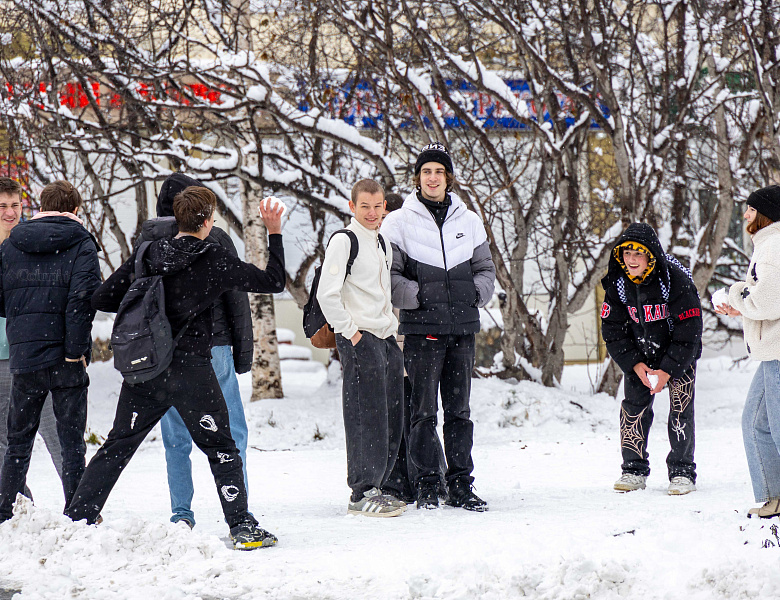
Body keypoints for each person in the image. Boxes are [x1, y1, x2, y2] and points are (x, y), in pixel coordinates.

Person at [65, 186, 284, 550]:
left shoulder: (149, 253)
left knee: (118, 445)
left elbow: (102, 297)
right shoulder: (213, 258)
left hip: (147, 369)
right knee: (221, 448)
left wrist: (146, 302)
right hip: (191, 371)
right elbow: (273, 282)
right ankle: (241, 524)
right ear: (207, 220)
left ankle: (78, 516)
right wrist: (273, 232)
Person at [381, 142, 496, 511]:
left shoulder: (470, 220)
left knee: (459, 412)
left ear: (448, 177)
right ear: (418, 177)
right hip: (421, 332)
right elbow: (391, 276)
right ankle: (428, 484)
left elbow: (486, 270)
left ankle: (461, 483)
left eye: (439, 172)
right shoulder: (397, 221)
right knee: (423, 412)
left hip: (463, 330)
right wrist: (419, 299)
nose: (433, 178)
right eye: (426, 171)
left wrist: (473, 296)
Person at [135, 173, 253, 529]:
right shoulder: (215, 237)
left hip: (166, 350)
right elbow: (237, 298)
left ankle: (181, 514)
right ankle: (239, 508)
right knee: (231, 434)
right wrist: (243, 353)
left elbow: (140, 299)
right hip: (214, 347)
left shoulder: (148, 241)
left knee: (176, 438)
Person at [0, 181, 101, 522]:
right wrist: (75, 353)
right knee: (70, 441)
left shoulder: (13, 244)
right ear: (76, 210)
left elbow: (3, 300)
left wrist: (23, 326)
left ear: (40, 205)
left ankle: (6, 512)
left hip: (24, 356)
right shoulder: (82, 243)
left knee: (17, 442)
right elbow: (81, 303)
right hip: (64, 358)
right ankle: (79, 511)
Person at [317, 179, 405, 517]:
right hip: (360, 337)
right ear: (352, 206)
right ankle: (361, 491)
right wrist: (351, 333)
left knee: (389, 415)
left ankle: (378, 486)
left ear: (385, 207)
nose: (372, 212)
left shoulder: (383, 241)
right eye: (365, 206)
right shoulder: (345, 240)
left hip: (384, 338)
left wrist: (390, 335)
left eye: (377, 206)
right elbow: (328, 293)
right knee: (365, 414)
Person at [601, 222, 702, 495]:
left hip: (679, 355)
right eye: (627, 254)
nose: (632, 260)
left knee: (681, 411)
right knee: (633, 410)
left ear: (651, 256)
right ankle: (633, 470)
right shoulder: (618, 283)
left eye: (639, 254)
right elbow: (612, 329)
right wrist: (634, 363)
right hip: (640, 356)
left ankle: (682, 472)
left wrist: (669, 369)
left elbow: (690, 330)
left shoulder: (674, 280)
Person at [716, 185, 780, 518]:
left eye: (750, 210)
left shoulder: (774, 247)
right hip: (772, 351)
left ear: (765, 213)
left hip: (779, 353)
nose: (744, 215)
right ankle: (774, 496)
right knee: (756, 423)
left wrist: (739, 294)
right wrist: (742, 308)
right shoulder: (768, 245)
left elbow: (766, 300)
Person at [380, 192, 447, 503]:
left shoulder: (412, 249)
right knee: (396, 418)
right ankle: (396, 482)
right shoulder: (370, 248)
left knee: (417, 415)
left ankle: (427, 478)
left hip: (411, 344)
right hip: (387, 346)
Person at [0, 178, 63, 500]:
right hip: (0, 353)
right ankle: (17, 501)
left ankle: (80, 497)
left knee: (53, 426)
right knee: (3, 436)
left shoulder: (30, 242)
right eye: (3, 206)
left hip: (34, 349)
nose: (10, 213)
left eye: (15, 205)